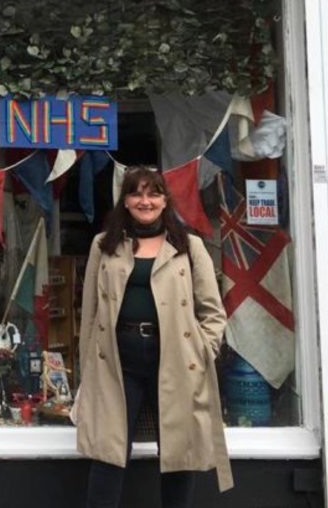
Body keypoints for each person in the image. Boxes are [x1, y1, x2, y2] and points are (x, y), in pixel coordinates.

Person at [75, 166, 233, 507]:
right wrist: (87, 364)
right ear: (126, 200)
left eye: (153, 193)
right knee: (108, 451)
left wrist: (201, 349)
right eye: (136, 193)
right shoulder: (103, 245)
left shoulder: (188, 246)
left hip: (176, 357)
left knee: (179, 452)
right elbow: (89, 312)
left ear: (165, 200)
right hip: (118, 360)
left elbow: (213, 311)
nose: (145, 201)